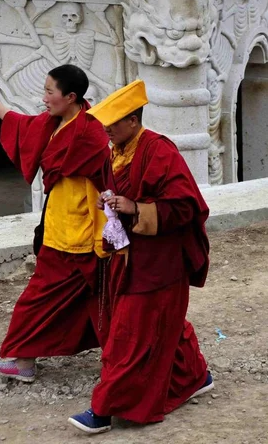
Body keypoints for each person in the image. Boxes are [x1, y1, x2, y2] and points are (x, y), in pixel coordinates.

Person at [68, 79, 213, 435]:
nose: (107, 134)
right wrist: (112, 203)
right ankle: (195, 376)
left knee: (130, 333)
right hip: (133, 257)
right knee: (161, 325)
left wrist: (135, 207)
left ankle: (104, 409)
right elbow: (117, 188)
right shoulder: (118, 150)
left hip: (161, 260)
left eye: (113, 127)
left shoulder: (159, 151)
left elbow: (187, 205)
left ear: (133, 121)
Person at [0, 64, 111, 383]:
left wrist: (103, 241)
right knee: (89, 303)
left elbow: (101, 189)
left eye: (50, 92)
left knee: (38, 302)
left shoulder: (89, 135)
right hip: (56, 228)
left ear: (71, 96)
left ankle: (24, 363)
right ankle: (121, 355)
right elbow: (24, 126)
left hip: (78, 239)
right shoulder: (56, 123)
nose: (44, 98)